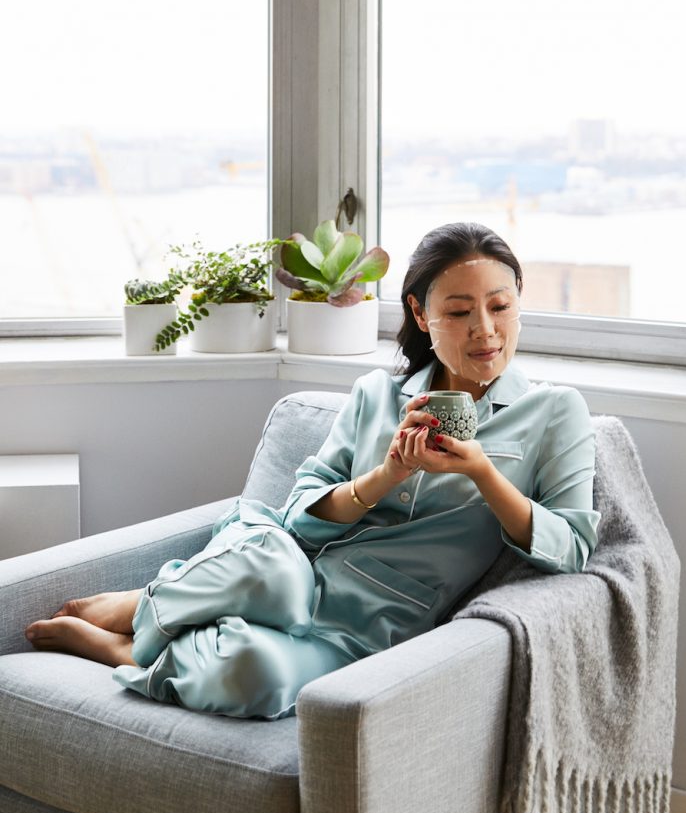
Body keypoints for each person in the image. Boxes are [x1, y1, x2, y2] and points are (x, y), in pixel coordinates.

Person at [26, 222, 600, 719]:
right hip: (286, 561)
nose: (485, 330)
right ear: (420, 315)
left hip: (367, 625)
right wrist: (386, 476)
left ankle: (127, 649)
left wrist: (482, 473)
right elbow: (299, 513)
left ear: (519, 300)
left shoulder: (554, 413)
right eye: (458, 311)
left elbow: (570, 546)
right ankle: (146, 604)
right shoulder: (377, 394)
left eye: (500, 306)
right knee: (275, 575)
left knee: (257, 675)